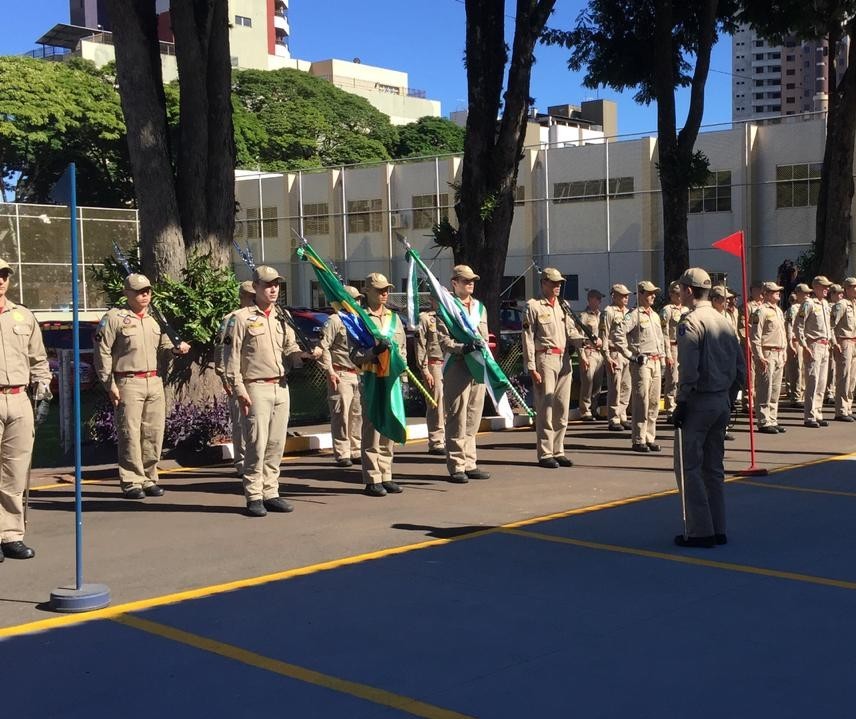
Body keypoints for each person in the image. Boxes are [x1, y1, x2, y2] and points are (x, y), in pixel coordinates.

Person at [224, 265, 313, 516]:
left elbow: (290, 348)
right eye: (268, 285)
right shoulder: (240, 318)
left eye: (276, 285)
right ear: (256, 287)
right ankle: (253, 494)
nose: (273, 289)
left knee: (275, 443)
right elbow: (230, 357)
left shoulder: (281, 317)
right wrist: (238, 388)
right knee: (256, 443)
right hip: (256, 387)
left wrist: (304, 356)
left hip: (280, 385)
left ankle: (271, 491)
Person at [94, 273, 191, 499]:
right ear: (126, 293)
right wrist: (109, 384)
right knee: (130, 433)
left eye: (147, 290)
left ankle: (149, 477)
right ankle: (131, 481)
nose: (144, 295)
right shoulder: (115, 318)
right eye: (138, 291)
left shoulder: (155, 317)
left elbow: (166, 344)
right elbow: (102, 352)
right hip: (128, 381)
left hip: (153, 381)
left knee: (153, 432)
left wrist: (177, 348)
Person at [672, 267, 746, 548]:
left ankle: (700, 531)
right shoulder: (724, 320)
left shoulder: (690, 322)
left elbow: (689, 368)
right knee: (714, 468)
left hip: (699, 401)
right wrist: (730, 395)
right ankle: (719, 527)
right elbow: (740, 368)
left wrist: (681, 401)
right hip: (721, 401)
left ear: (689, 290)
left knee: (689, 467)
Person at [0, 259, 51, 561]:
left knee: (15, 471)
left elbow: (38, 358)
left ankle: (10, 535)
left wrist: (43, 391)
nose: (1, 280)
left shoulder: (23, 316)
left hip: (19, 399)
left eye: (4, 275)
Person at [351, 272, 407, 497]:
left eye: (387, 290)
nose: (384, 293)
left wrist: (402, 376)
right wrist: (372, 352)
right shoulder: (360, 319)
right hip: (372, 376)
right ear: (367, 292)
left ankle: (386, 473)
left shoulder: (394, 318)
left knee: (389, 424)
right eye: (379, 290)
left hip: (391, 378)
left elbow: (401, 349)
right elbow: (354, 354)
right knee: (373, 426)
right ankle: (372, 477)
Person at [522, 267, 583, 468]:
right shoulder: (534, 306)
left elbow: (571, 331)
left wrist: (586, 342)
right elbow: (528, 338)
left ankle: (559, 450)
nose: (558, 286)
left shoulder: (563, 306)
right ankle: (546, 452)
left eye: (559, 283)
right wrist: (531, 366)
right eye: (554, 283)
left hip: (564, 358)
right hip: (545, 358)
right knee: (546, 407)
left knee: (562, 407)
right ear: (544, 283)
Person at [437, 265, 491, 482]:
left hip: (477, 364)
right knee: (457, 416)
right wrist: (462, 348)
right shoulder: (447, 308)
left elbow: (484, 335)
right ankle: (457, 465)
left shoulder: (480, 308)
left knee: (473, 415)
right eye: (465, 280)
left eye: (472, 280)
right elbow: (444, 341)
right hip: (458, 364)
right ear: (454, 283)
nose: (470, 283)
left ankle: (470, 462)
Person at [614, 280, 666, 452]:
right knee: (641, 402)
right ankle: (638, 438)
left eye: (654, 293)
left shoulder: (655, 315)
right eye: (649, 293)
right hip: (642, 362)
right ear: (641, 294)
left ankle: (649, 437)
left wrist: (663, 360)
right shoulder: (633, 315)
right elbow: (618, 334)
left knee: (653, 403)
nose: (652, 296)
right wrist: (631, 355)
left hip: (656, 361)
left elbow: (661, 339)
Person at [319, 285, 364, 467]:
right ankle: (342, 452)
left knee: (357, 414)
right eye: (354, 299)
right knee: (341, 415)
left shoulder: (360, 320)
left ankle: (355, 449)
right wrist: (329, 371)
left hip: (358, 373)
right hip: (341, 373)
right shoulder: (335, 320)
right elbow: (324, 347)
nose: (358, 302)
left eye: (359, 299)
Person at [214, 280, 256, 477]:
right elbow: (222, 349)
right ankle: (241, 462)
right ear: (242, 297)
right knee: (241, 423)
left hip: (260, 380)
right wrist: (225, 378)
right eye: (249, 296)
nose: (253, 299)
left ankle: (256, 463)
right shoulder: (232, 319)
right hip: (239, 380)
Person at [794, 275, 833, 428]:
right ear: (816, 287)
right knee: (813, 381)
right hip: (814, 345)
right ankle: (809, 416)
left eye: (828, 287)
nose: (827, 289)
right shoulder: (808, 304)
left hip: (825, 345)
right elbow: (799, 325)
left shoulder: (825, 304)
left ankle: (818, 412)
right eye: (824, 287)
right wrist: (804, 345)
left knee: (822, 382)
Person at [750, 281, 787, 434]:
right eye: (774, 291)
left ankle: (773, 418)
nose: (778, 293)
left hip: (778, 352)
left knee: (775, 389)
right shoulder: (760, 312)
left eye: (778, 290)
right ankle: (764, 420)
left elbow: (782, 333)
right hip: (767, 353)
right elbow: (755, 336)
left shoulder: (778, 311)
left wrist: (784, 352)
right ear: (766, 294)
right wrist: (759, 356)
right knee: (765, 387)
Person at [414, 295, 446, 455]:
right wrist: (424, 369)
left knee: (452, 404)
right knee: (436, 404)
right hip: (434, 364)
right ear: (433, 300)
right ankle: (436, 441)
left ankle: (450, 438)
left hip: (451, 363)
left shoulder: (451, 317)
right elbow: (420, 344)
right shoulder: (426, 319)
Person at [600, 283, 632, 432]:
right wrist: (606, 356)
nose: (626, 298)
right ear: (615, 296)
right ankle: (613, 418)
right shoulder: (608, 312)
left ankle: (622, 415)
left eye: (627, 296)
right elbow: (604, 335)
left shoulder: (629, 312)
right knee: (615, 386)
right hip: (614, 352)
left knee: (626, 386)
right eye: (623, 295)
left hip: (626, 353)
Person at [660, 281, 689, 422]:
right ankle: (670, 410)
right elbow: (664, 333)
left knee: (682, 378)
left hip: (684, 346)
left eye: (680, 293)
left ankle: (681, 406)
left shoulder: (686, 310)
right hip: (672, 346)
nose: (679, 297)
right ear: (671, 294)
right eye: (676, 294)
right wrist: (667, 354)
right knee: (672, 379)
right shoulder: (667, 310)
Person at [830, 277, 856, 421]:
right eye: (853, 287)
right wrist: (835, 342)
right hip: (844, 341)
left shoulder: (854, 304)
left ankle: (848, 407)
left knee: (852, 378)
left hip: (854, 342)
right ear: (846, 289)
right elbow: (832, 324)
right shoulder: (841, 305)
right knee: (844, 377)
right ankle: (840, 410)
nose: (855, 289)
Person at [577, 289, 605, 422]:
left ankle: (594, 409)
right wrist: (582, 355)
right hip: (589, 351)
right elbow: (579, 337)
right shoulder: (584, 316)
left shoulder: (602, 316)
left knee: (598, 384)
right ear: (590, 299)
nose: (600, 301)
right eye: (597, 298)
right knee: (588, 381)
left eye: (600, 299)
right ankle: (585, 410)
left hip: (600, 353)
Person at [785, 283, 810, 407]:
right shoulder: (793, 309)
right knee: (796, 370)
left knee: (804, 370)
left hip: (804, 341)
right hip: (795, 341)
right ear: (798, 294)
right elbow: (790, 326)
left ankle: (802, 394)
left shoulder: (805, 307)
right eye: (805, 293)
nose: (807, 295)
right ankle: (795, 397)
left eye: (808, 293)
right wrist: (790, 343)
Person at [826, 284, 844, 404]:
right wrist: (833, 341)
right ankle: (829, 392)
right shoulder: (829, 306)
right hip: (834, 341)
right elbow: (831, 325)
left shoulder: (844, 305)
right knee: (831, 368)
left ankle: (833, 390)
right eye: (837, 293)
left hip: (840, 342)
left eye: (841, 292)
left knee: (838, 369)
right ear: (832, 294)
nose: (840, 295)